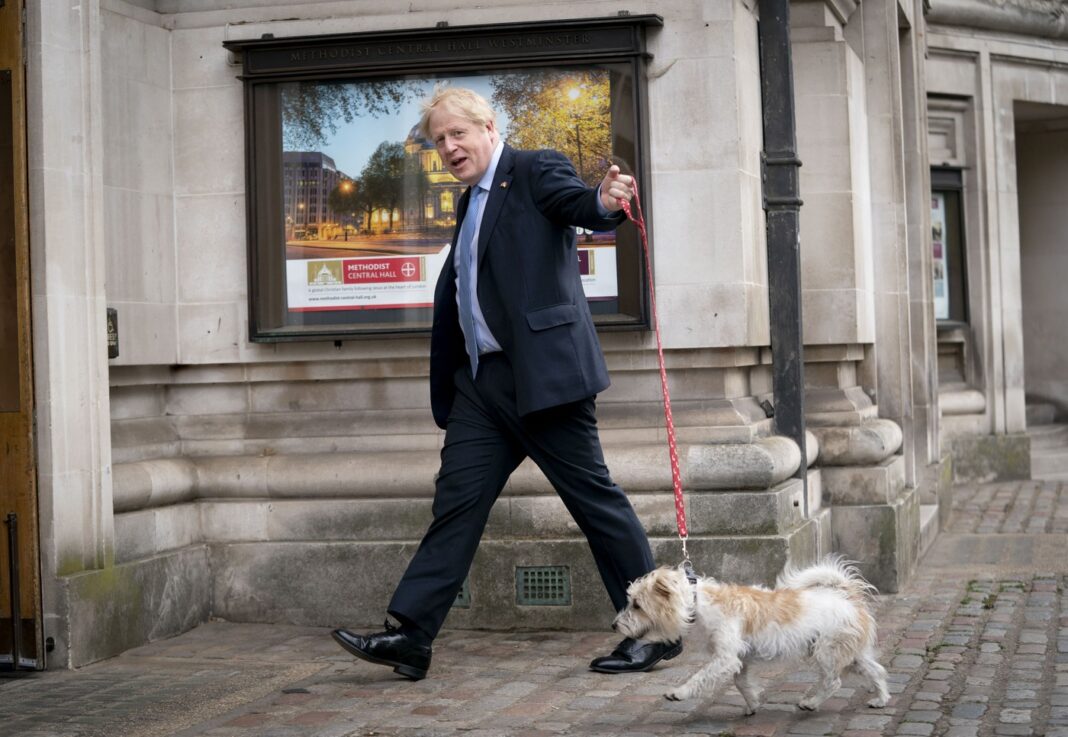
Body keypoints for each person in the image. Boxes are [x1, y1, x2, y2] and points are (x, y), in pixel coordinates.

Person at [332, 86, 681, 680]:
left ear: (487, 127)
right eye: (439, 140)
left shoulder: (532, 168)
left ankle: (655, 631)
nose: (448, 147)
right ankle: (412, 636)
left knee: (595, 503)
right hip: (481, 386)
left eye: (456, 134)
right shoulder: (468, 202)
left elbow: (580, 203)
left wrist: (604, 198)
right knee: (456, 506)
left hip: (544, 379)